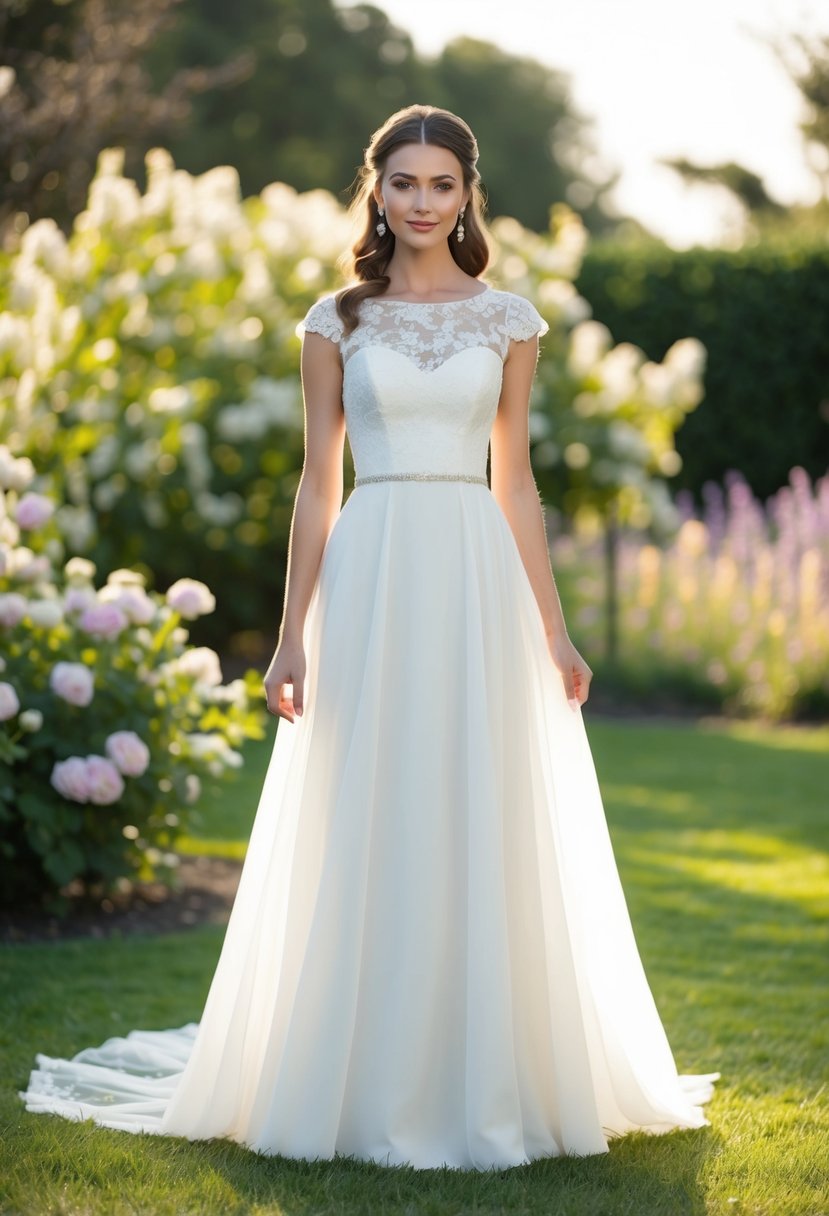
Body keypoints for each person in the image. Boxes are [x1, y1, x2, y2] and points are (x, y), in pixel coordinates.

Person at [19, 104, 718, 1171]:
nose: (424, 202)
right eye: (405, 183)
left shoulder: (508, 320)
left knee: (478, 802)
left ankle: (484, 1067)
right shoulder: (333, 320)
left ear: (466, 193)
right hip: (376, 566)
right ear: (376, 190)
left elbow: (517, 483)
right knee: (370, 799)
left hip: (474, 572)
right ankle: (354, 1064)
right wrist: (291, 634)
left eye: (442, 184)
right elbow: (317, 482)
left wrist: (557, 629)